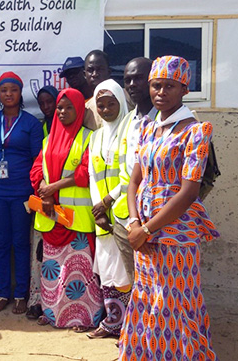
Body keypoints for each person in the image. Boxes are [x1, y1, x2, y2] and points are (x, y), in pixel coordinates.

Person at [119, 56, 219, 360]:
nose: (160, 92)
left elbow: (189, 192)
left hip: (175, 233)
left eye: (169, 86)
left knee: (173, 302)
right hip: (144, 233)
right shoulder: (148, 128)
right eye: (155, 85)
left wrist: (148, 229)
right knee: (148, 298)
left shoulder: (196, 132)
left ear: (184, 88)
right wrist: (134, 224)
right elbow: (134, 181)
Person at [29, 88, 102, 329]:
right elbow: (37, 169)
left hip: (77, 222)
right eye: (60, 107)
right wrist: (44, 189)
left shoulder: (90, 138)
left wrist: (53, 188)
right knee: (54, 273)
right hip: (51, 218)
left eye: (68, 107)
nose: (62, 112)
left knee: (78, 273)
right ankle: (53, 314)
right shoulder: (48, 139)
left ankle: (83, 318)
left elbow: (84, 173)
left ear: (79, 109)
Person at [0, 72, 43, 314]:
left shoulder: (30, 123)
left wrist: (36, 192)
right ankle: (3, 292)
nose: (9, 94)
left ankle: (21, 294)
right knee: (2, 242)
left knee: (20, 242)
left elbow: (38, 160)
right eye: (4, 90)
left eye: (13, 90)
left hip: (22, 192)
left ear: (20, 93)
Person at [85, 79, 132, 338]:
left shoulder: (129, 131)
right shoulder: (96, 136)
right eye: (100, 105)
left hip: (123, 214)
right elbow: (93, 175)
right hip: (102, 216)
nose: (105, 109)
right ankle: (112, 323)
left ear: (121, 103)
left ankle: (129, 327)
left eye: (111, 103)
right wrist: (98, 208)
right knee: (107, 268)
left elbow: (131, 174)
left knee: (125, 270)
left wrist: (108, 202)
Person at [112, 57, 157, 282]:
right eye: (127, 79)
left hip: (160, 225)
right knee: (137, 287)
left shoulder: (175, 122)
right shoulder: (128, 120)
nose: (131, 84)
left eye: (138, 78)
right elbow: (125, 172)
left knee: (161, 288)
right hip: (127, 223)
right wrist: (129, 221)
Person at [26, 84, 59, 320]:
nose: (48, 108)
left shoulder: (81, 131)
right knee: (39, 255)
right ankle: (37, 299)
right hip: (43, 203)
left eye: (52, 103)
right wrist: (41, 189)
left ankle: (61, 303)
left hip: (70, 206)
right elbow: (36, 166)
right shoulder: (41, 130)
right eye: (43, 103)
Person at [82, 50, 111, 131]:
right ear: (84, 75)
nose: (95, 74)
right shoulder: (85, 109)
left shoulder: (127, 99)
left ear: (109, 72)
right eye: (90, 70)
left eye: (99, 69)